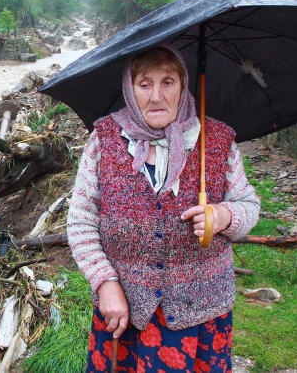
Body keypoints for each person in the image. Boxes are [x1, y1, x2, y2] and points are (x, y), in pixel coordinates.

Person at [67, 45, 260, 373]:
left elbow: (249, 205)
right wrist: (105, 283)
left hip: (201, 311)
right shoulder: (105, 140)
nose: (157, 96)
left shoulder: (216, 140)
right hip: (124, 311)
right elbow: (80, 221)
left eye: (168, 82)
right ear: (130, 89)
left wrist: (225, 216)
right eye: (145, 84)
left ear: (185, 86)